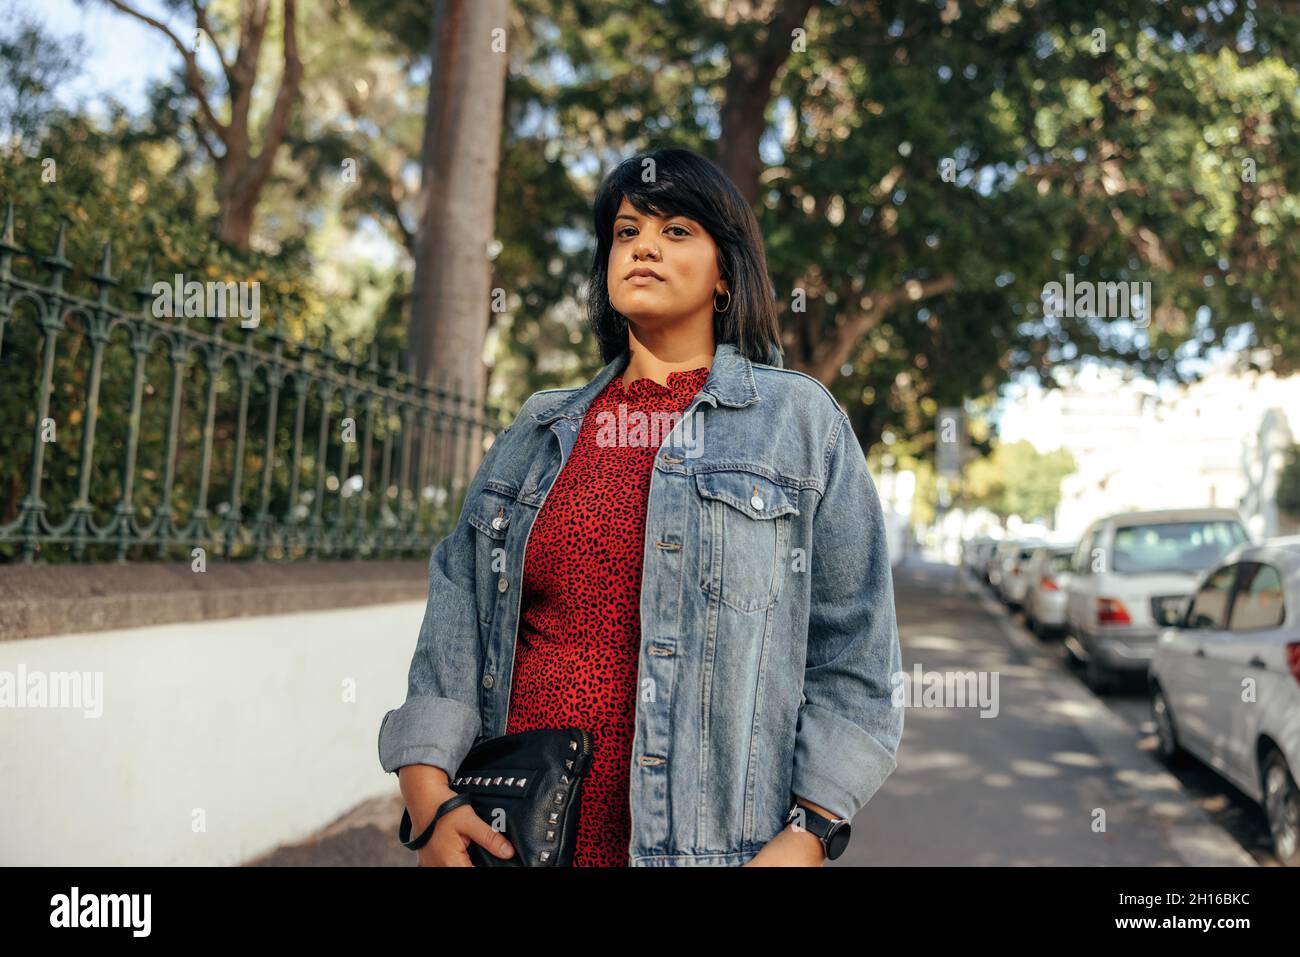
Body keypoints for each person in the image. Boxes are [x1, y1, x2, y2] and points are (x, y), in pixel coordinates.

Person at [378, 146, 904, 867]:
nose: (644, 246)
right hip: (515, 844)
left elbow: (856, 657)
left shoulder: (799, 423)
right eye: (626, 232)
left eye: (676, 230)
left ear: (726, 272)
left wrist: (808, 833)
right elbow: (457, 614)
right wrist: (429, 799)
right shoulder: (537, 430)